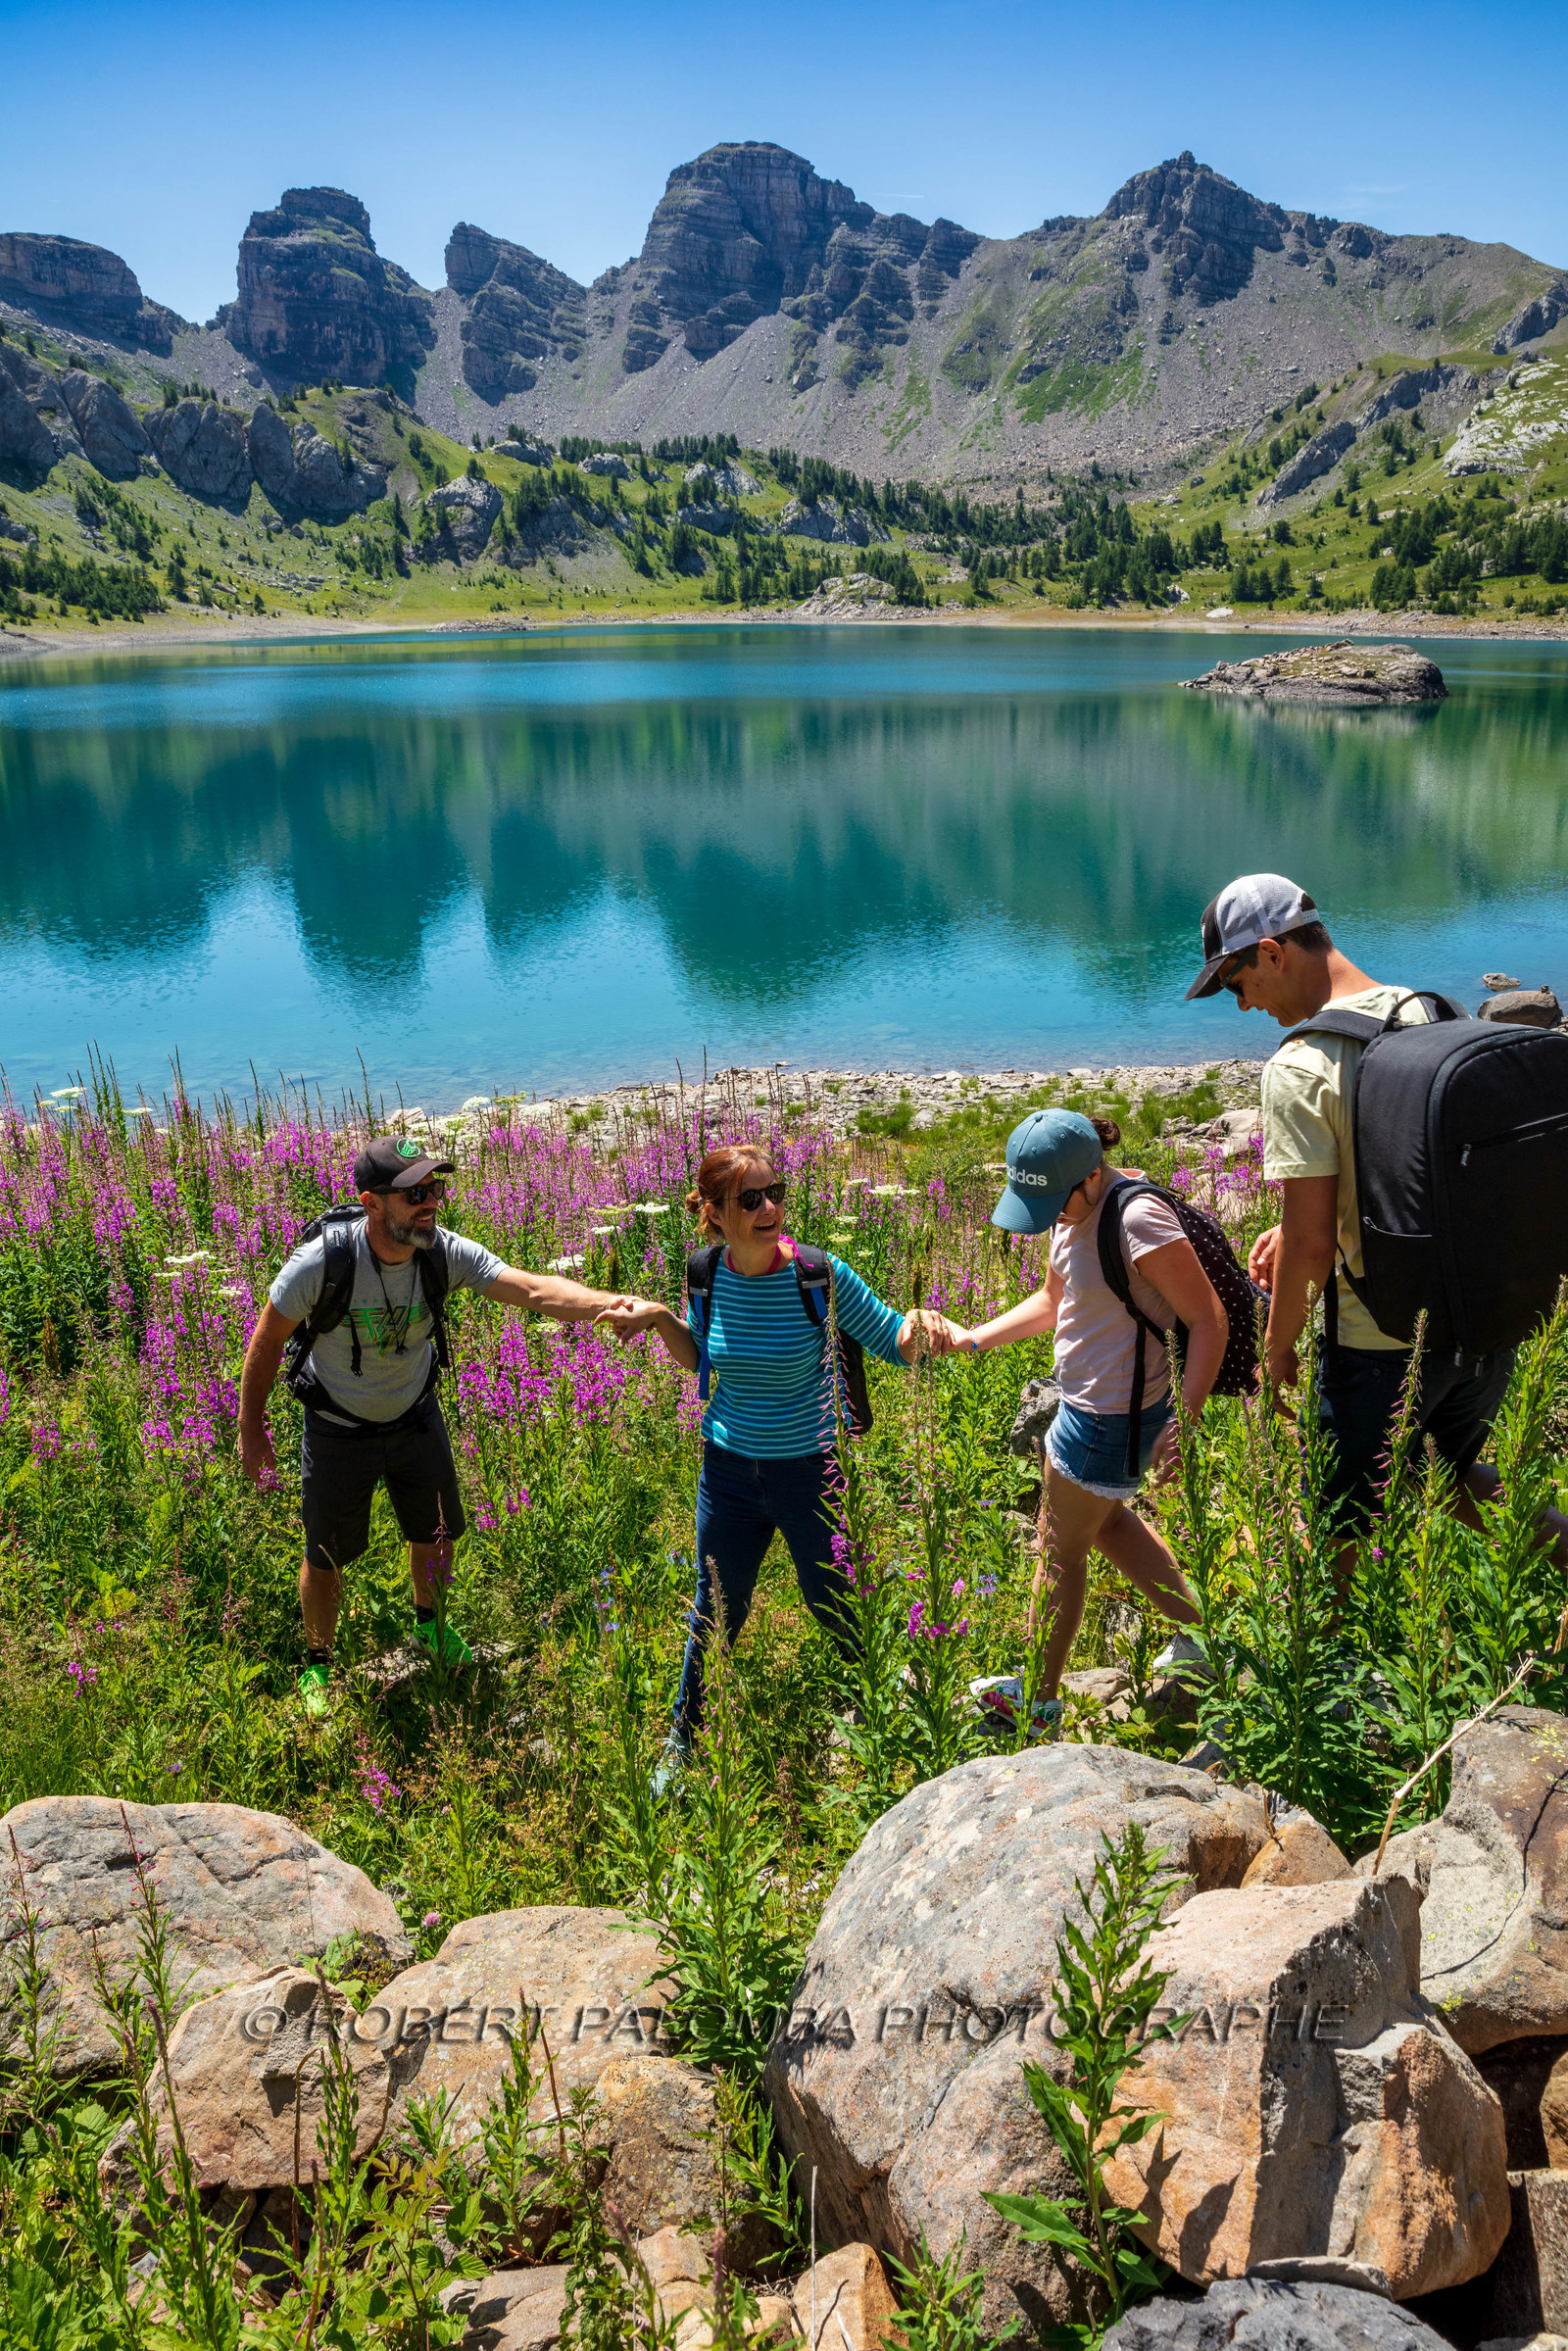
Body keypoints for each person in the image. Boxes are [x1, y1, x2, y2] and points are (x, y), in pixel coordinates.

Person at [1185, 870, 1568, 1563]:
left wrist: (1275, 1359)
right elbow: (1411, 1168)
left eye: (1236, 984)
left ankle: (1335, 1666)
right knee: (1443, 1477)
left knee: (1338, 1534)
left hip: (1377, 1347)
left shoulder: (1301, 1066)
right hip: (1480, 1330)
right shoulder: (1433, 1014)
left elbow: (1306, 1245)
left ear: (1272, 952)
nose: (1241, 1006)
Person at [238, 1136, 665, 1709]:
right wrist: (252, 1429)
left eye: (436, 1188)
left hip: (414, 1414)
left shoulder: (442, 1251)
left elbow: (535, 1289)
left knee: (435, 1531)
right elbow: (265, 1345)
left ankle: (431, 1627)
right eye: (415, 1192)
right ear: (371, 1203)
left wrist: (607, 1303)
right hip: (337, 1425)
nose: (431, 1202)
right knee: (325, 1552)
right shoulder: (323, 1263)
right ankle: (318, 1663)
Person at [598, 1144, 961, 1771]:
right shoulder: (705, 1274)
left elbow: (893, 1340)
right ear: (714, 1213)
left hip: (811, 1471)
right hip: (729, 1470)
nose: (770, 1208)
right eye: (751, 1199)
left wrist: (923, 1328)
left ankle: (892, 1707)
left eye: (775, 1192)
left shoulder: (818, 1275)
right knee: (715, 1606)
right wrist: (660, 1319)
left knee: (835, 1598)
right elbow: (706, 1362)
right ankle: (683, 1742)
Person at [946, 1108, 1225, 1703]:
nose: (1049, 1220)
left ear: (1092, 1175)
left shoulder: (1138, 1220)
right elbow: (1053, 1300)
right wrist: (974, 1336)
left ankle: (1039, 1701)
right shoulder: (1069, 1207)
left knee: (1059, 1550)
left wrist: (1187, 1421)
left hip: (1107, 1418)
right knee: (1108, 1523)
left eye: (1053, 1206)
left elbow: (1208, 1320)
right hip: (1091, 1406)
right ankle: (1200, 1637)